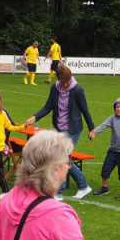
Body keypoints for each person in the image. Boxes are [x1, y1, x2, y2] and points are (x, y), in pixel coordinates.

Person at [27, 64, 94, 199]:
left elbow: (85, 110)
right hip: (58, 128)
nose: (66, 84)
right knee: (62, 159)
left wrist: (92, 128)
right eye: (63, 82)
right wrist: (35, 117)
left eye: (68, 81)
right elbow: (48, 106)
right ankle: (83, 186)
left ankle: (60, 191)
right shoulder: (55, 88)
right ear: (59, 80)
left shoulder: (77, 90)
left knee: (61, 159)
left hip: (73, 129)